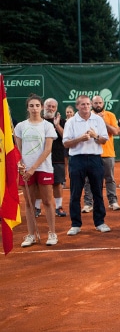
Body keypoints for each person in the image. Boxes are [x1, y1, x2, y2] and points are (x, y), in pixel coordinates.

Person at [62, 95, 111, 235]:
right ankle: (75, 224)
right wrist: (80, 139)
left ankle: (100, 222)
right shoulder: (71, 122)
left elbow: (104, 140)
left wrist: (95, 136)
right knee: (75, 193)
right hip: (77, 159)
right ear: (77, 106)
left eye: (88, 104)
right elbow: (66, 143)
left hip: (95, 158)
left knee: (98, 192)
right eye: (82, 104)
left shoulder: (98, 120)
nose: (86, 106)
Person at [15, 94, 59, 247]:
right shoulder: (20, 126)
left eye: (37, 105)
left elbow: (47, 150)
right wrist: (20, 164)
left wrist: (33, 168)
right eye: (31, 106)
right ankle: (31, 235)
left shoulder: (47, 126)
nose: (34, 108)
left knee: (47, 201)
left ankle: (52, 233)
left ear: (41, 107)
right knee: (29, 203)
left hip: (43, 168)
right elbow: (18, 150)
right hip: (26, 170)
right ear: (27, 108)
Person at [82, 95, 120, 211]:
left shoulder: (110, 115)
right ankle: (88, 204)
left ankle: (112, 201)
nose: (98, 105)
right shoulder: (87, 117)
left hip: (108, 153)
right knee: (88, 180)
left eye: (100, 103)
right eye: (95, 103)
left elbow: (116, 131)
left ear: (103, 103)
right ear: (92, 104)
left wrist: (103, 121)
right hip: (91, 153)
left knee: (110, 179)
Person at [42, 98, 67, 217]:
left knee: (57, 183)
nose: (50, 108)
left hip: (57, 157)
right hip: (40, 158)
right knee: (38, 184)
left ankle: (59, 207)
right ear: (43, 107)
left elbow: (66, 137)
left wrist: (57, 126)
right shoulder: (38, 121)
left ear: (56, 109)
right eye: (48, 106)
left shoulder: (61, 121)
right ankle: (37, 208)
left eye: (53, 107)